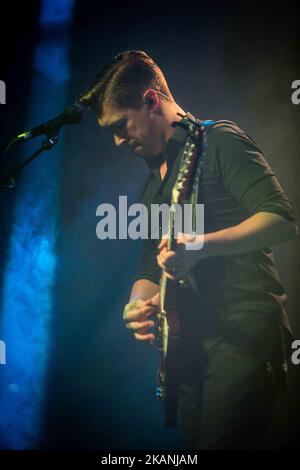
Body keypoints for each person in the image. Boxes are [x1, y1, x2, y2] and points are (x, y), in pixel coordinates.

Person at [80, 50, 298, 449]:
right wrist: (136, 307)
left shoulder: (220, 141)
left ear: (150, 100)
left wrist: (200, 246)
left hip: (241, 338)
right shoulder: (151, 184)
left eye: (120, 125)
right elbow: (150, 265)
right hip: (188, 350)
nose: (116, 141)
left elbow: (282, 220)